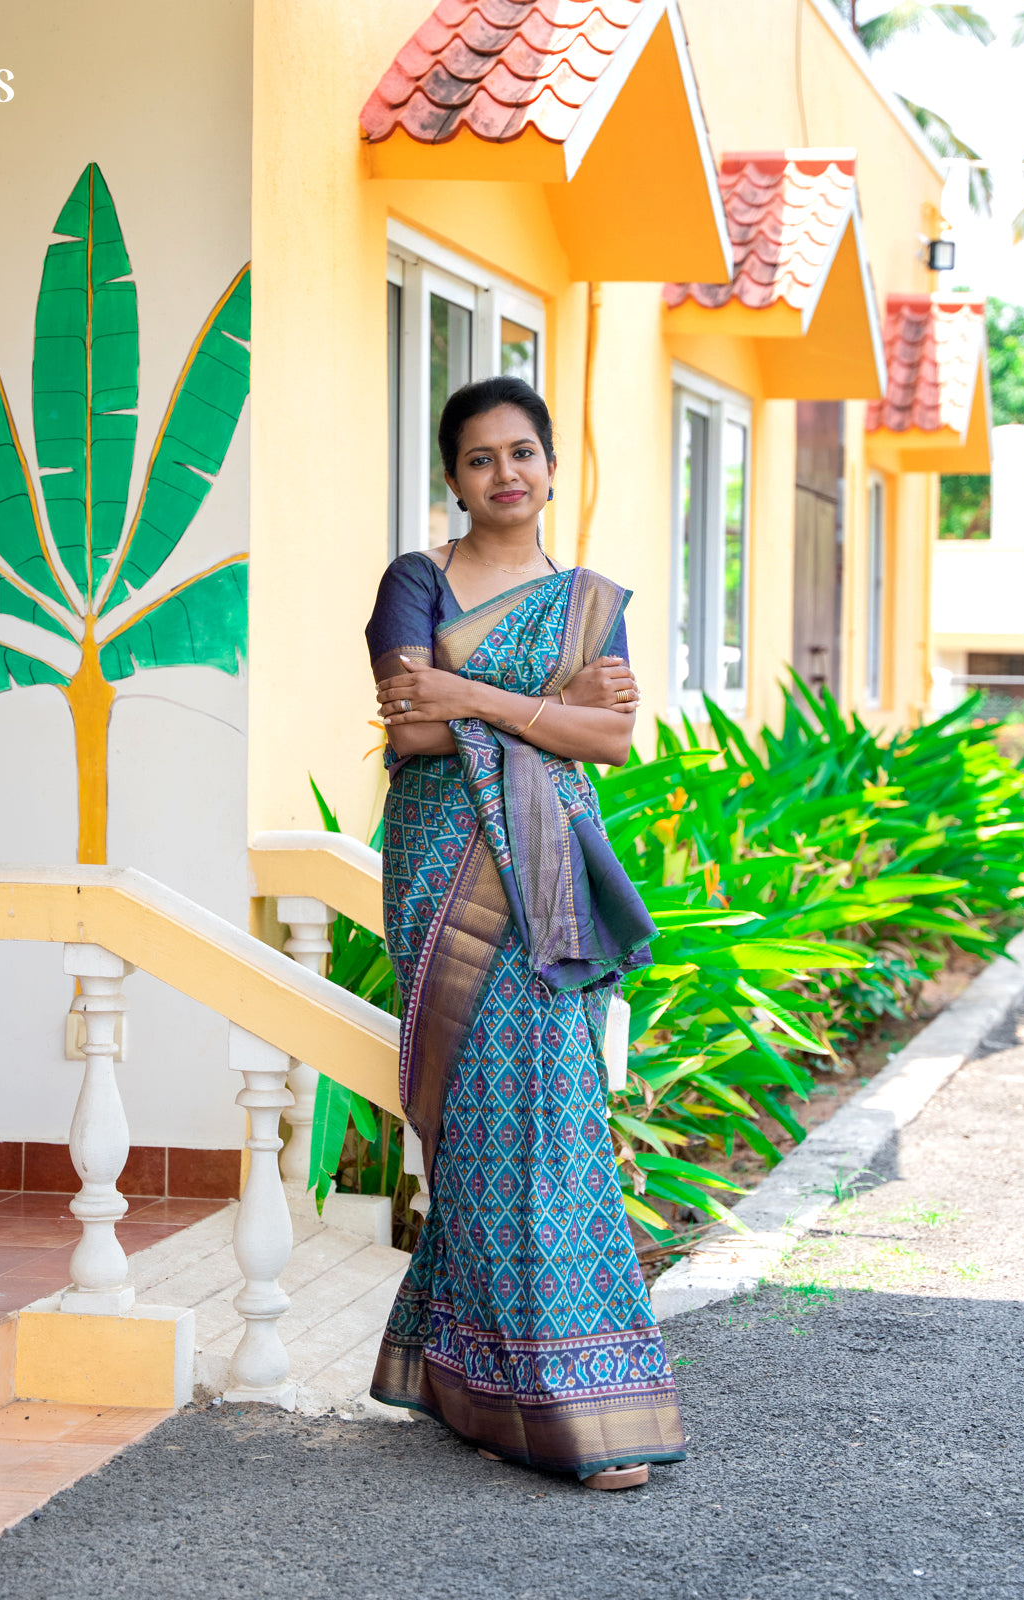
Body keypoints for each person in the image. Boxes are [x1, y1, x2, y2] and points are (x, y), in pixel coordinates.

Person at [365, 376, 685, 1489]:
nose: (505, 474)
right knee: (477, 1121)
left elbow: (612, 741)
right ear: (452, 478)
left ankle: (548, 1387)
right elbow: (407, 725)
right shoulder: (417, 580)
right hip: (443, 871)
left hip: (547, 877)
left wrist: (480, 701)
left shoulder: (589, 600)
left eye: (523, 453)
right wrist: (542, 709)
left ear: (552, 467)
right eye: (479, 458)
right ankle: (497, 1381)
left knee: (546, 1115)